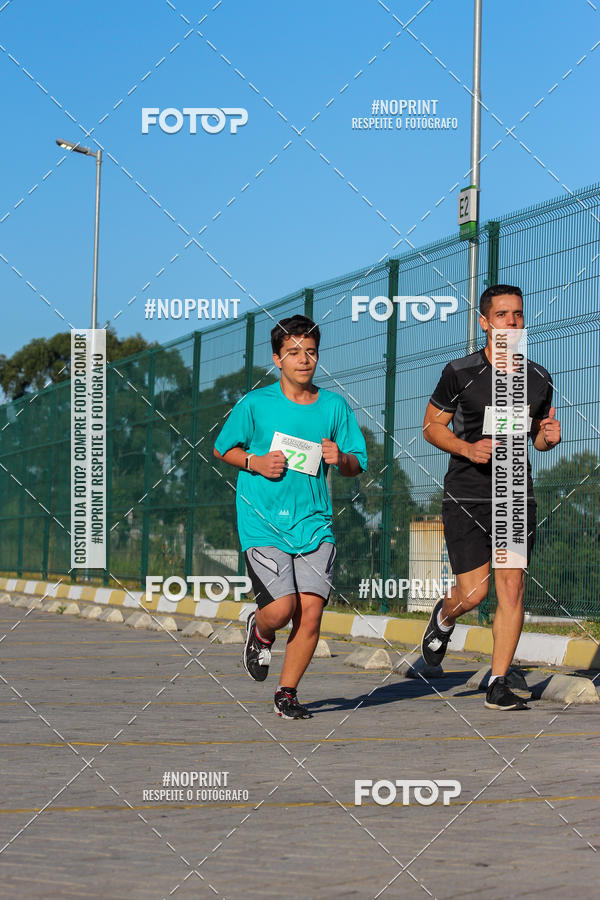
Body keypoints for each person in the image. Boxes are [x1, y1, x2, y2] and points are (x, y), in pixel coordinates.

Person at [213, 315, 368, 719]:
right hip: (262, 523)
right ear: (277, 359)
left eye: (311, 352)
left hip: (315, 525)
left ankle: (287, 693)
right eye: (294, 353)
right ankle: (260, 631)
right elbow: (222, 448)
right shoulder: (256, 404)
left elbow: (357, 463)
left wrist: (342, 459)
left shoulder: (334, 406)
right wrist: (255, 462)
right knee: (282, 610)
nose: (304, 360)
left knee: (312, 611)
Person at [422, 285, 561, 710]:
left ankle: (498, 682)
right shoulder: (460, 372)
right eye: (502, 315)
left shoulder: (538, 378)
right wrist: (467, 449)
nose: (512, 322)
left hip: (515, 492)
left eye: (518, 314)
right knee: (474, 594)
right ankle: (444, 617)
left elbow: (537, 437)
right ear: (485, 323)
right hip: (467, 493)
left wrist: (546, 438)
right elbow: (431, 427)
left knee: (512, 586)